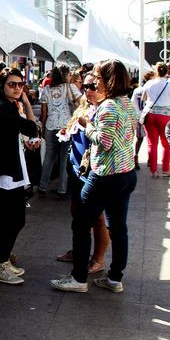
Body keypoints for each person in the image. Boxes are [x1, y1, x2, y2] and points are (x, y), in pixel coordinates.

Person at [50, 59, 138, 294]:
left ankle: (79, 279)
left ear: (107, 79)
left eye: (97, 77)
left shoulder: (109, 106)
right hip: (126, 173)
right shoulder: (127, 103)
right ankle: (115, 278)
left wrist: (86, 124)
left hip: (106, 175)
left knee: (81, 223)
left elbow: (105, 141)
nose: (94, 81)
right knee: (118, 227)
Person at [0, 67, 38, 285]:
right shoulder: (6, 108)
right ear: (2, 85)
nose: (17, 88)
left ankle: (1, 260)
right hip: (6, 172)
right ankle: (1, 263)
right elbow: (32, 128)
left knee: (6, 217)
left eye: (20, 85)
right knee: (14, 218)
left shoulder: (4, 105)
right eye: (12, 84)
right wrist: (26, 103)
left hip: (8, 169)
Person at [55, 72, 111, 275]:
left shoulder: (106, 110)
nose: (89, 90)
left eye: (94, 86)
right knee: (78, 214)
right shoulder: (84, 107)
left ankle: (98, 259)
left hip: (94, 171)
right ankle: (80, 250)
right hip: (77, 167)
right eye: (86, 86)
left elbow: (105, 140)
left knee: (97, 218)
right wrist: (67, 131)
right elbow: (75, 130)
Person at [38, 65, 81, 199]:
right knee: (63, 158)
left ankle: (42, 187)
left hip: (51, 125)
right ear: (65, 75)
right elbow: (82, 103)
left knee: (49, 158)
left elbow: (44, 111)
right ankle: (62, 190)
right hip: (66, 127)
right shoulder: (70, 87)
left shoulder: (46, 89)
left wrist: (43, 127)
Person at [142, 63, 170, 179]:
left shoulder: (149, 83)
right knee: (166, 143)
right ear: (166, 72)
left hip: (150, 114)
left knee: (152, 143)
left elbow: (143, 98)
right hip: (166, 116)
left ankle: (154, 171)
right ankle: (165, 169)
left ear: (156, 71)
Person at [131, 71, 153, 171]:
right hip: (149, 115)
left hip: (139, 116)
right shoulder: (152, 89)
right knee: (151, 139)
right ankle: (150, 159)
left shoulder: (137, 90)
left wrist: (137, 116)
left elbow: (133, 104)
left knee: (139, 139)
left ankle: (135, 157)